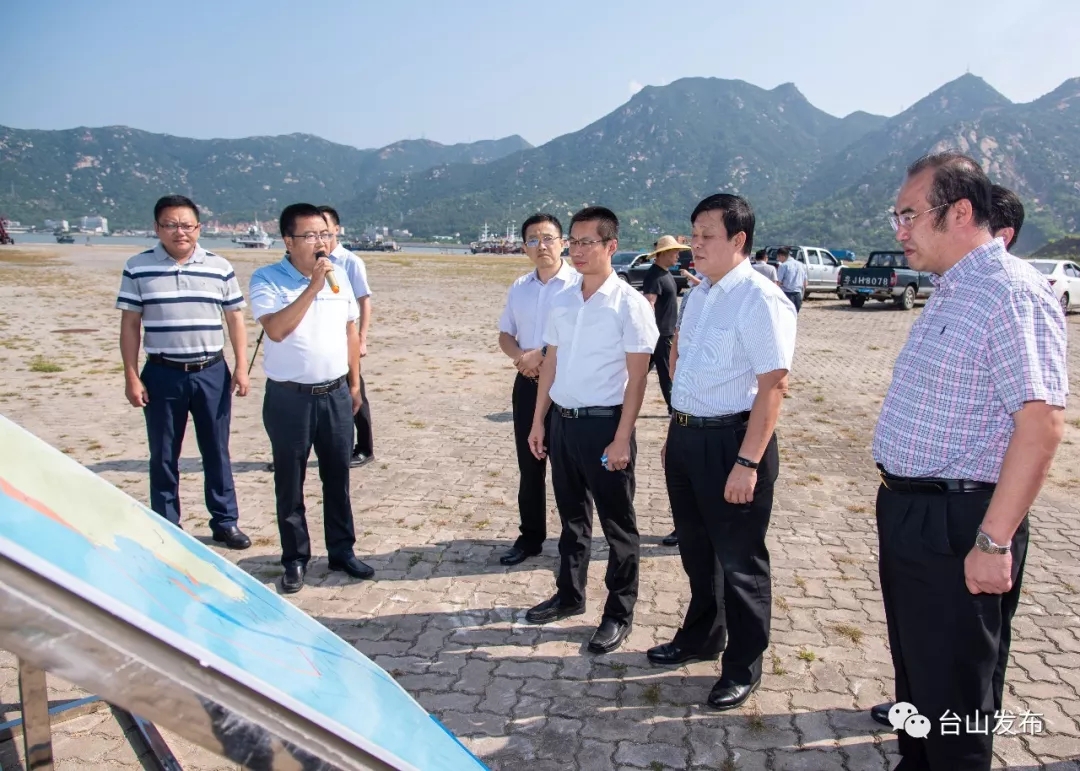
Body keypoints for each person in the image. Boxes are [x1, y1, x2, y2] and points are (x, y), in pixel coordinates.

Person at [872, 153, 1066, 770]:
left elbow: (1040, 425)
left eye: (909, 215)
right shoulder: (953, 288)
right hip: (911, 511)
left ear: (959, 212)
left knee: (955, 693)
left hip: (959, 523)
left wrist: (992, 539)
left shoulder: (1010, 291)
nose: (899, 229)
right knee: (919, 675)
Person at [647, 193, 796, 712]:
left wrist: (747, 463)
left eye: (707, 235)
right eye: (693, 234)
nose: (696, 244)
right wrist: (676, 432)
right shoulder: (701, 294)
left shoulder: (760, 298)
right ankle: (702, 636)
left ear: (739, 239)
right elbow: (684, 367)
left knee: (740, 562)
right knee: (697, 552)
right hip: (688, 438)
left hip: (734, 442)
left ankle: (743, 664)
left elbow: (774, 385)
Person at [525, 206, 659, 655]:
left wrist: (622, 437)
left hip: (606, 427)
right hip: (563, 423)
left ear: (611, 246)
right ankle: (569, 594)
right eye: (573, 242)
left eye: (588, 242)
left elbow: (637, 379)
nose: (577, 251)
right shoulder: (562, 299)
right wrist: (539, 420)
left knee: (618, 526)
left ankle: (619, 613)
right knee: (572, 520)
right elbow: (551, 363)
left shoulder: (630, 305)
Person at [249, 203, 372, 594]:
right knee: (290, 481)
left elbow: (350, 331)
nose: (321, 242)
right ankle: (295, 558)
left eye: (325, 234)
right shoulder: (267, 279)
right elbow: (276, 329)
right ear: (288, 241)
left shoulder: (341, 275)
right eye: (311, 235)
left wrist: (354, 384)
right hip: (289, 398)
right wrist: (312, 288)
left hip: (334, 394)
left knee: (337, 477)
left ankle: (342, 551)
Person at [116, 194, 251, 550]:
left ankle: (225, 521)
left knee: (216, 450)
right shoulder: (137, 267)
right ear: (157, 228)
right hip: (162, 373)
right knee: (163, 453)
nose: (180, 232)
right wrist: (131, 375)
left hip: (212, 371)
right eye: (171, 225)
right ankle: (166, 524)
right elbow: (130, 325)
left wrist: (241, 367)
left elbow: (235, 318)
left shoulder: (219, 266)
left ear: (199, 228)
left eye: (187, 225)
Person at [496, 213, 579, 566]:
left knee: (568, 469)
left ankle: (574, 542)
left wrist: (540, 355)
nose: (541, 245)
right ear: (524, 247)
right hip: (527, 382)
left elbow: (579, 335)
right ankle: (530, 537)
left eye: (548, 238)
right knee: (530, 466)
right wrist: (521, 358)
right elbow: (505, 334)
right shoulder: (520, 287)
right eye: (533, 239)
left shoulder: (578, 284)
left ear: (563, 243)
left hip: (566, 385)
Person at [320, 206, 376, 468]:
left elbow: (364, 301)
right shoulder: (308, 260)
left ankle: (364, 447)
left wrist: (362, 338)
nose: (320, 235)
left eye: (325, 229)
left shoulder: (349, 262)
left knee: (355, 390)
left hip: (346, 338)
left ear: (336, 229)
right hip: (320, 340)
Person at [641, 235, 681, 414]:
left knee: (642, 371)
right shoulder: (654, 275)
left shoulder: (665, 273)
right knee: (666, 372)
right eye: (675, 252)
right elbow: (649, 304)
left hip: (667, 331)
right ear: (664, 253)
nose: (677, 256)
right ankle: (674, 408)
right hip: (660, 334)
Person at [775, 247, 807, 312]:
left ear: (781, 256)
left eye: (778, 257)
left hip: (786, 294)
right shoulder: (801, 264)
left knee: (785, 314)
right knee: (795, 314)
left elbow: (778, 282)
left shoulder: (783, 266)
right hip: (798, 294)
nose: (778, 259)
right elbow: (805, 283)